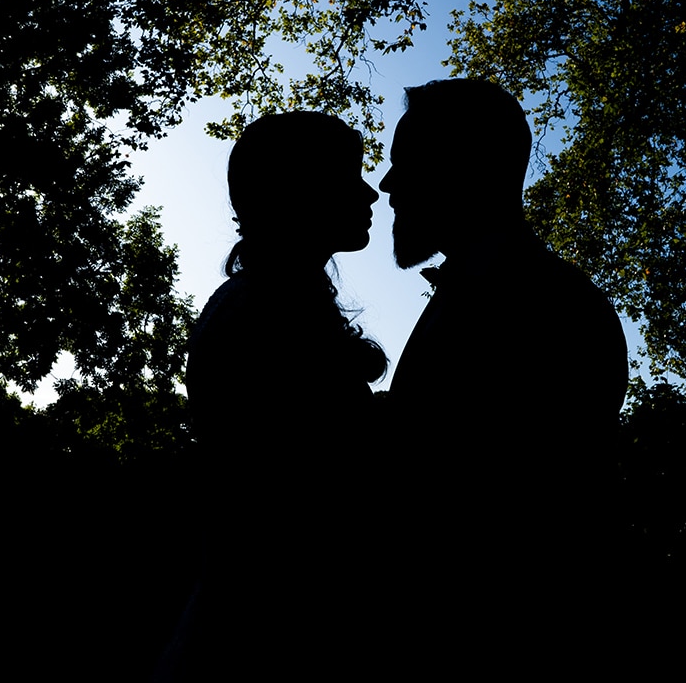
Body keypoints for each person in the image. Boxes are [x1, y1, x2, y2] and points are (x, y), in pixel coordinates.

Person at [378, 78, 628, 668]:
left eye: (404, 164)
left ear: (463, 168)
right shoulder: (505, 293)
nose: (387, 185)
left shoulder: (536, 305)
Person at [156, 112, 387, 681]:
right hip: (259, 648)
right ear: (299, 192)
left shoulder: (273, 306)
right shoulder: (259, 314)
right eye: (349, 176)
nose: (370, 191)